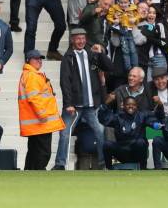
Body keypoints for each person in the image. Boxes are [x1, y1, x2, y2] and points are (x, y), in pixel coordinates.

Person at [53, 28, 115, 170]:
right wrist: (68, 103)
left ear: (85, 39)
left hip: (91, 106)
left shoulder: (92, 53)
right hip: (74, 106)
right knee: (64, 133)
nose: (80, 41)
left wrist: (101, 53)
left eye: (83, 38)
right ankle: (60, 164)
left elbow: (109, 67)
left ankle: (103, 163)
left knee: (100, 132)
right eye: (77, 38)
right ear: (72, 40)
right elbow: (65, 82)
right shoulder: (68, 57)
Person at [19, 49, 65, 170]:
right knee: (43, 152)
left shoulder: (31, 75)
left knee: (34, 152)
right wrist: (42, 114)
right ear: (29, 61)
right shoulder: (32, 76)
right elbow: (34, 98)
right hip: (40, 122)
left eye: (40, 58)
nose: (39, 61)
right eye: (36, 59)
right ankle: (38, 175)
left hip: (35, 122)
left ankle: (30, 174)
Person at [98, 94, 158, 169]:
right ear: (123, 106)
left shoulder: (142, 115)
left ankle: (143, 169)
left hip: (136, 152)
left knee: (141, 142)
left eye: (133, 105)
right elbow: (103, 119)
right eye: (128, 104)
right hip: (122, 151)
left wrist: (155, 124)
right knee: (107, 144)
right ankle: (109, 169)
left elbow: (152, 121)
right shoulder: (117, 117)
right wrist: (106, 104)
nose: (131, 106)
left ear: (136, 106)